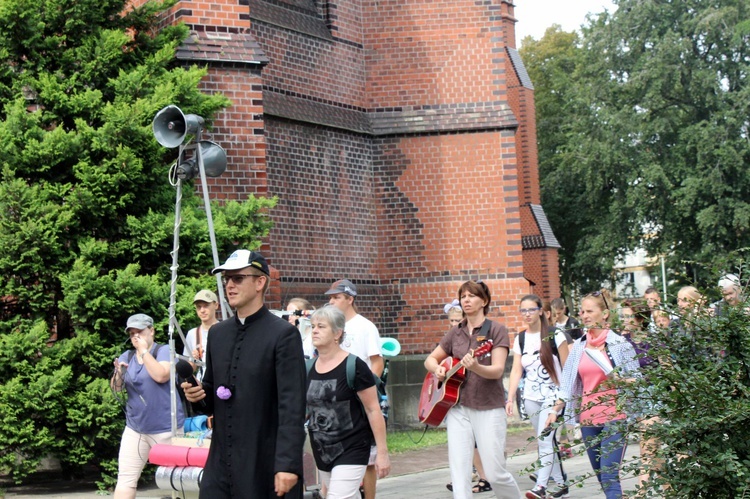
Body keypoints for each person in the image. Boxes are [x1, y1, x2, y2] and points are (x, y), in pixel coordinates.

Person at [181, 249, 307, 498]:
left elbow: (292, 406)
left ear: (260, 282)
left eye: (238, 278)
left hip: (263, 460)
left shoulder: (282, 335)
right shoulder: (218, 334)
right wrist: (198, 395)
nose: (229, 285)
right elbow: (213, 393)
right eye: (226, 279)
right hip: (221, 461)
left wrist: (288, 463)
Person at [424, 280, 521, 499]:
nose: (466, 300)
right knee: (459, 472)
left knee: (495, 473)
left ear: (484, 301)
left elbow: (496, 371)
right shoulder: (455, 332)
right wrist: (438, 368)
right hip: (457, 407)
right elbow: (430, 360)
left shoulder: (496, 330)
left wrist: (476, 366)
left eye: (471, 296)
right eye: (463, 296)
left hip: (488, 408)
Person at [544, 289, 640, 499]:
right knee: (601, 477)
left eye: (590, 311)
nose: (585, 316)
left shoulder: (619, 344)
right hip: (589, 419)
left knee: (609, 476)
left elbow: (637, 380)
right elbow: (567, 383)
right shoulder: (579, 347)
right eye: (582, 312)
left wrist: (621, 380)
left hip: (616, 416)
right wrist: (555, 410)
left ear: (604, 314)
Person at [306, 305, 390, 498]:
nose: (315, 330)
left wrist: (382, 453)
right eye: (312, 326)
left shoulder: (354, 366)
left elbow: (373, 410)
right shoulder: (308, 368)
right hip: (322, 449)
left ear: (337, 333)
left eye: (321, 326)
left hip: (353, 446)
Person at [111, 313, 185, 499]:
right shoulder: (127, 355)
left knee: (177, 483)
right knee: (126, 479)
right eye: (132, 333)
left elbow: (161, 375)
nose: (136, 337)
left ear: (151, 331)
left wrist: (144, 351)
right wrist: (118, 373)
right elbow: (116, 388)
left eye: (140, 332)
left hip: (166, 429)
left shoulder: (163, 350)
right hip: (136, 428)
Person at [506, 295, 570, 499]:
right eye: (523, 310)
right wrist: (510, 398)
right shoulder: (521, 339)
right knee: (547, 440)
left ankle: (541, 487)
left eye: (531, 310)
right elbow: (516, 370)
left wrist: (562, 400)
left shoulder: (554, 335)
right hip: (531, 397)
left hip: (554, 397)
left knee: (544, 439)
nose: (527, 314)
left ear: (541, 310)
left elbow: (567, 370)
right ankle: (561, 483)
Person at [325, 279, 383, 499]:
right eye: (330, 297)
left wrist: (367, 388)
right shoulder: (330, 326)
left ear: (350, 299)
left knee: (367, 457)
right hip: (335, 401)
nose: (331, 301)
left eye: (336, 297)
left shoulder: (364, 326)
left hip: (359, 399)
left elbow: (377, 362)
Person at [443, 301, 491, 494]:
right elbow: (436, 361)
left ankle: (485, 476)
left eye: (457, 320)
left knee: (477, 441)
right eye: (451, 320)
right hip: (456, 396)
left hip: (477, 393)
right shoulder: (450, 338)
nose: (454, 324)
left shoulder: (478, 336)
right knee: (464, 442)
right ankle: (466, 477)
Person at [183, 289, 219, 381]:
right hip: (202, 384)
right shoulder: (192, 334)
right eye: (199, 307)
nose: (202, 310)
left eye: (206, 306)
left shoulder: (226, 330)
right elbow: (190, 369)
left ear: (216, 305)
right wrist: (194, 360)